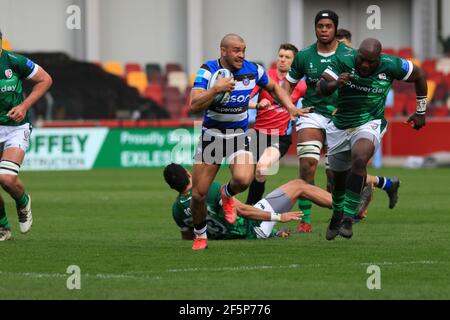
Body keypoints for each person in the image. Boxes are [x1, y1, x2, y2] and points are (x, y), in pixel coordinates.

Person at [189, 34, 310, 250]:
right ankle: (200, 235)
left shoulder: (253, 70)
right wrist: (216, 89)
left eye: (243, 49)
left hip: (238, 135)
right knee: (199, 194)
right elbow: (194, 104)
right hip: (212, 137)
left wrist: (290, 107)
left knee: (244, 180)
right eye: (236, 50)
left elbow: (273, 87)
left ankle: (226, 195)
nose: (241, 54)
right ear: (223, 51)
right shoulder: (207, 70)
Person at [282, 10, 400, 234]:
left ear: (335, 28)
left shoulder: (352, 55)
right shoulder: (305, 55)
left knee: (337, 173)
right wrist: (291, 107)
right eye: (320, 26)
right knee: (308, 164)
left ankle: (378, 186)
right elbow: (287, 85)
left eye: (328, 26)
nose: (324, 30)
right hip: (314, 113)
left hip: (343, 117)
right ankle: (305, 221)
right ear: (315, 28)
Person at [317, 38, 427, 240]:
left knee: (359, 159)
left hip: (370, 122)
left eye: (370, 61)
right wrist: (335, 84)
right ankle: (338, 213)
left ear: (379, 59)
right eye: (362, 60)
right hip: (340, 125)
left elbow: (420, 75)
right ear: (357, 55)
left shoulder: (392, 64)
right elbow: (320, 88)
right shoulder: (343, 60)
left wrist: (420, 111)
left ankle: (349, 218)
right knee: (336, 180)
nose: (365, 65)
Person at [163, 163, 335, 241]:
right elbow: (243, 211)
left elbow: (188, 237)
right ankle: (346, 208)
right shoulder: (208, 189)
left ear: (172, 187)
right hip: (254, 228)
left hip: (234, 235)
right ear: (188, 173)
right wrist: (278, 217)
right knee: (299, 185)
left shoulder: (176, 210)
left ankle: (273, 233)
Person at [0, 31, 53, 241]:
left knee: (5, 178)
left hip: (15, 127)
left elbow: (45, 80)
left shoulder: (14, 61)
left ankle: (22, 201)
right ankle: (3, 228)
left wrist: (24, 106)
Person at [245, 43, 306, 206]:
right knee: (244, 177)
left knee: (262, 168)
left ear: (294, 61)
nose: (283, 60)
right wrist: (257, 105)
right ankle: (249, 210)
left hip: (280, 137)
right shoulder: (265, 78)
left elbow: (314, 103)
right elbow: (244, 101)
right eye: (280, 56)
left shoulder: (300, 84)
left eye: (287, 57)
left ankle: (251, 211)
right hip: (258, 134)